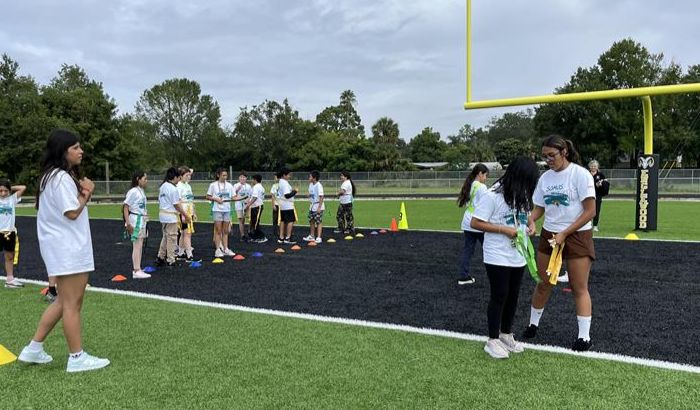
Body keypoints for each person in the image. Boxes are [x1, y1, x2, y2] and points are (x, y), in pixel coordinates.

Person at [18, 129, 110, 372]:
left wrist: (81, 190)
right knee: (72, 304)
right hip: (67, 248)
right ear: (63, 151)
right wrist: (88, 192)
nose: (81, 151)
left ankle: (33, 349)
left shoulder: (55, 176)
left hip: (64, 247)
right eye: (75, 148)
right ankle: (77, 357)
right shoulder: (58, 177)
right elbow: (71, 212)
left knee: (63, 301)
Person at [524, 135, 597, 352]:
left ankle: (584, 337)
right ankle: (532, 325)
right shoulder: (545, 178)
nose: (548, 160)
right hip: (550, 234)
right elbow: (539, 207)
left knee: (578, 287)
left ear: (564, 152)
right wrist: (531, 220)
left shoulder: (580, 174)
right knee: (544, 282)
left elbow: (590, 211)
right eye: (545, 156)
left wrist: (565, 232)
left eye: (552, 155)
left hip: (576, 235)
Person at [471, 157, 540, 359]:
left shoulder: (522, 195)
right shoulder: (492, 195)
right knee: (499, 294)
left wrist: (532, 224)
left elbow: (527, 214)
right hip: (497, 254)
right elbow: (476, 222)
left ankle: (506, 334)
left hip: (518, 253)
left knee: (513, 295)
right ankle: (492, 340)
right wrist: (502, 229)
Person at [456, 164, 489, 285]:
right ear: (480, 173)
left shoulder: (469, 184)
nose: (486, 178)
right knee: (489, 249)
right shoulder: (482, 187)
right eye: (485, 175)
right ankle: (495, 275)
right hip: (478, 222)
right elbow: (486, 205)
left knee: (468, 250)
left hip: (467, 221)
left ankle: (463, 276)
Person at [156, 167, 190, 266]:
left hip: (163, 215)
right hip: (170, 216)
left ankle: (161, 256)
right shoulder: (173, 189)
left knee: (166, 237)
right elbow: (177, 204)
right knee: (172, 238)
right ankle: (171, 259)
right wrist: (185, 214)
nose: (179, 180)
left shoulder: (163, 186)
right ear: (174, 177)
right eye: (178, 178)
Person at [122, 171, 151, 279]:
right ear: (138, 179)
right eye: (144, 179)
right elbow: (125, 207)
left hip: (142, 220)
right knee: (137, 245)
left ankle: (138, 267)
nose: (146, 181)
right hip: (135, 220)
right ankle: (136, 269)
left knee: (140, 244)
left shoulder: (141, 191)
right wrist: (128, 223)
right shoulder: (133, 191)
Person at [0, 179, 27, 288]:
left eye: (5, 191)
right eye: (0, 191)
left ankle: (10, 280)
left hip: (9, 233)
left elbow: (23, 187)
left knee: (9, 256)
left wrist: (10, 187)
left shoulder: (12, 199)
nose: (3, 193)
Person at [206, 168, 236, 257]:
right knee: (218, 231)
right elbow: (207, 196)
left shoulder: (230, 185)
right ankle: (218, 249)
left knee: (226, 231)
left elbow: (234, 197)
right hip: (217, 210)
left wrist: (242, 198)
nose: (225, 177)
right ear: (218, 175)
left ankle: (226, 248)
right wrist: (215, 199)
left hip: (227, 210)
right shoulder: (213, 185)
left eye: (226, 175)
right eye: (223, 175)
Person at [176, 166, 199, 261]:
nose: (189, 177)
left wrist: (194, 213)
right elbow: (178, 201)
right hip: (183, 212)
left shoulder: (188, 186)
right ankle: (189, 254)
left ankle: (181, 253)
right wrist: (183, 214)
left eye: (189, 175)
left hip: (189, 211)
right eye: (186, 175)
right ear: (180, 176)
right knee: (187, 233)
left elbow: (191, 200)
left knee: (184, 233)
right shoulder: (178, 186)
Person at [276, 168, 298, 244]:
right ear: (284, 175)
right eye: (288, 175)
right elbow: (287, 195)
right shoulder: (284, 183)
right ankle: (287, 238)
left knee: (283, 221)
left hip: (282, 204)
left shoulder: (281, 182)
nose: (289, 176)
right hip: (287, 205)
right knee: (290, 220)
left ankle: (281, 237)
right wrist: (295, 191)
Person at [303, 170, 325, 243]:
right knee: (311, 221)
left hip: (318, 205)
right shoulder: (311, 185)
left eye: (310, 177)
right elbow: (311, 194)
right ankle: (312, 236)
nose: (309, 178)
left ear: (314, 178)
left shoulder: (319, 185)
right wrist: (309, 195)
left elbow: (321, 196)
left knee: (318, 221)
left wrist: (319, 207)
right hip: (312, 205)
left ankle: (319, 237)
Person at [245, 174, 267, 243]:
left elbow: (255, 197)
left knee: (255, 223)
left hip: (257, 206)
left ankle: (262, 237)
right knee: (253, 222)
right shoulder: (261, 187)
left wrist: (248, 205)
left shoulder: (256, 187)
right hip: (256, 206)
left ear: (255, 180)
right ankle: (255, 237)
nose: (252, 181)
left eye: (253, 179)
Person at [588, 160, 608, 232]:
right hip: (588, 195)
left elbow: (605, 185)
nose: (593, 167)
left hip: (598, 196)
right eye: (592, 166)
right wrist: (595, 185)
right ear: (589, 167)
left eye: (595, 166)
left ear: (597, 167)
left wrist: (601, 185)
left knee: (596, 210)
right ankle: (588, 225)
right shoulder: (586, 174)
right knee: (587, 210)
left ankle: (595, 226)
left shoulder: (601, 175)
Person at [233, 171, 252, 241]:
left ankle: (249, 232)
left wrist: (248, 201)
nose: (242, 178)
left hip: (247, 205)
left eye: (244, 177)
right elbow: (233, 195)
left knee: (249, 219)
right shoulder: (235, 185)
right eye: (241, 177)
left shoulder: (249, 186)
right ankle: (242, 235)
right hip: (238, 205)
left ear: (246, 178)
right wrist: (237, 189)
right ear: (239, 178)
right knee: (241, 220)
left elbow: (250, 195)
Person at [270, 172, 280, 239]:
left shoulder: (283, 184)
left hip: (282, 206)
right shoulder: (274, 185)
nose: (274, 178)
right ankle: (275, 232)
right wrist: (273, 205)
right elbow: (273, 196)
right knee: (275, 219)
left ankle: (281, 232)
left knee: (282, 220)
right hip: (276, 205)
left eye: (275, 177)